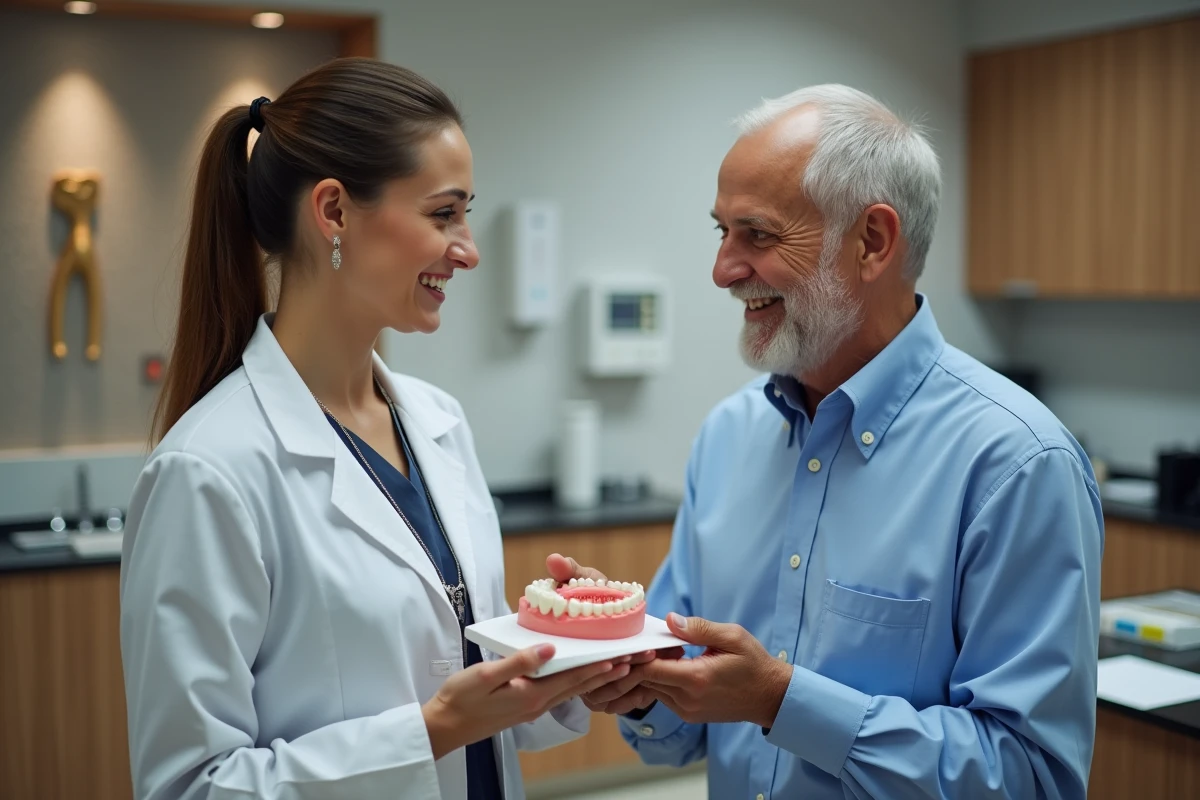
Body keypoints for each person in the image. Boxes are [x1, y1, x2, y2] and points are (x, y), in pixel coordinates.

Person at [554, 84, 1104, 798]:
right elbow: (677, 726)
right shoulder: (730, 437)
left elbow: (1033, 778)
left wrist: (782, 702)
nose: (722, 270)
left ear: (872, 242)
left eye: (757, 234)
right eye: (720, 232)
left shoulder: (1018, 464)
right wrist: (633, 661)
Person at [120, 58, 634, 800]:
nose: (469, 248)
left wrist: (572, 661)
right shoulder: (210, 471)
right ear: (333, 212)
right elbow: (190, 786)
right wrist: (426, 734)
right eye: (442, 213)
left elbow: (479, 696)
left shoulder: (438, 422)